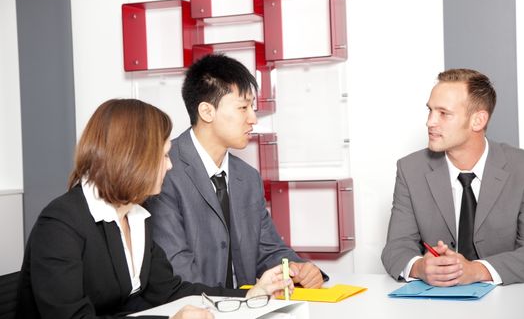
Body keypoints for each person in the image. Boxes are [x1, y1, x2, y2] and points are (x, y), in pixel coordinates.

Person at [16, 99, 293, 319]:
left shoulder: (136, 217)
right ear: (132, 159)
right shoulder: (60, 225)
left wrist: (247, 295)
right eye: (162, 156)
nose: (170, 165)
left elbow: (172, 290)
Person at [146, 54, 325, 290]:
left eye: (252, 107)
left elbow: (268, 248)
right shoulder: (164, 172)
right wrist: (240, 303)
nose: (253, 118)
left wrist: (297, 268)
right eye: (243, 107)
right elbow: (176, 272)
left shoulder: (248, 178)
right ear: (207, 112)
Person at [381, 68, 524, 287]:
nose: (430, 122)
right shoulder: (410, 169)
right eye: (430, 111)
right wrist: (420, 267)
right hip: (435, 304)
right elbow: (396, 247)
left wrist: (476, 271)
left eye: (443, 113)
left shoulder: (520, 167)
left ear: (478, 120)